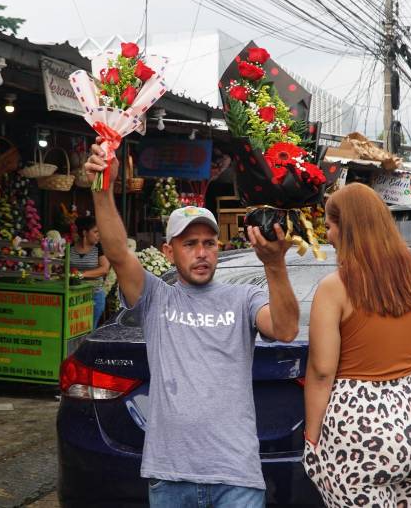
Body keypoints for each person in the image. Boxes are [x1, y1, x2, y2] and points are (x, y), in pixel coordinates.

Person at [83, 140, 300, 508]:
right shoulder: (156, 298)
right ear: (169, 251)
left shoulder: (242, 298)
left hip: (236, 476)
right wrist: (102, 190)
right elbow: (118, 253)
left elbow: (285, 329)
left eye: (209, 243)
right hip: (171, 476)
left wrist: (275, 265)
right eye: (190, 244)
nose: (201, 252)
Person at [303, 183, 411, 507]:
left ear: (347, 228)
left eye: (329, 226)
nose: (327, 235)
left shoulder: (334, 288)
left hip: (360, 427)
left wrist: (312, 440)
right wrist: (400, 411)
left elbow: (322, 372)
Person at [69, 215, 110, 328]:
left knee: (89, 329)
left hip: (95, 295)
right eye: (95, 232)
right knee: (75, 329)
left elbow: (104, 268)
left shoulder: (98, 248)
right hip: (75, 297)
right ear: (84, 233)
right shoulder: (70, 248)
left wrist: (82, 275)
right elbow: (66, 268)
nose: (99, 235)